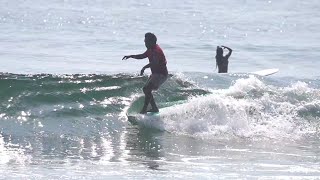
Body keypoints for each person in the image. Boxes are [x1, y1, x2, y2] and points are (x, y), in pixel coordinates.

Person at [122, 33, 168, 114]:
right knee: (147, 90)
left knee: (146, 89)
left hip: (161, 74)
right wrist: (130, 56)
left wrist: (144, 67)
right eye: (145, 41)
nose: (145, 43)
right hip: (156, 74)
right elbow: (142, 56)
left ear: (152, 41)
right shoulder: (151, 49)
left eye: (146, 42)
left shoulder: (156, 50)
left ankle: (144, 110)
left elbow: (155, 62)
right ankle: (154, 108)